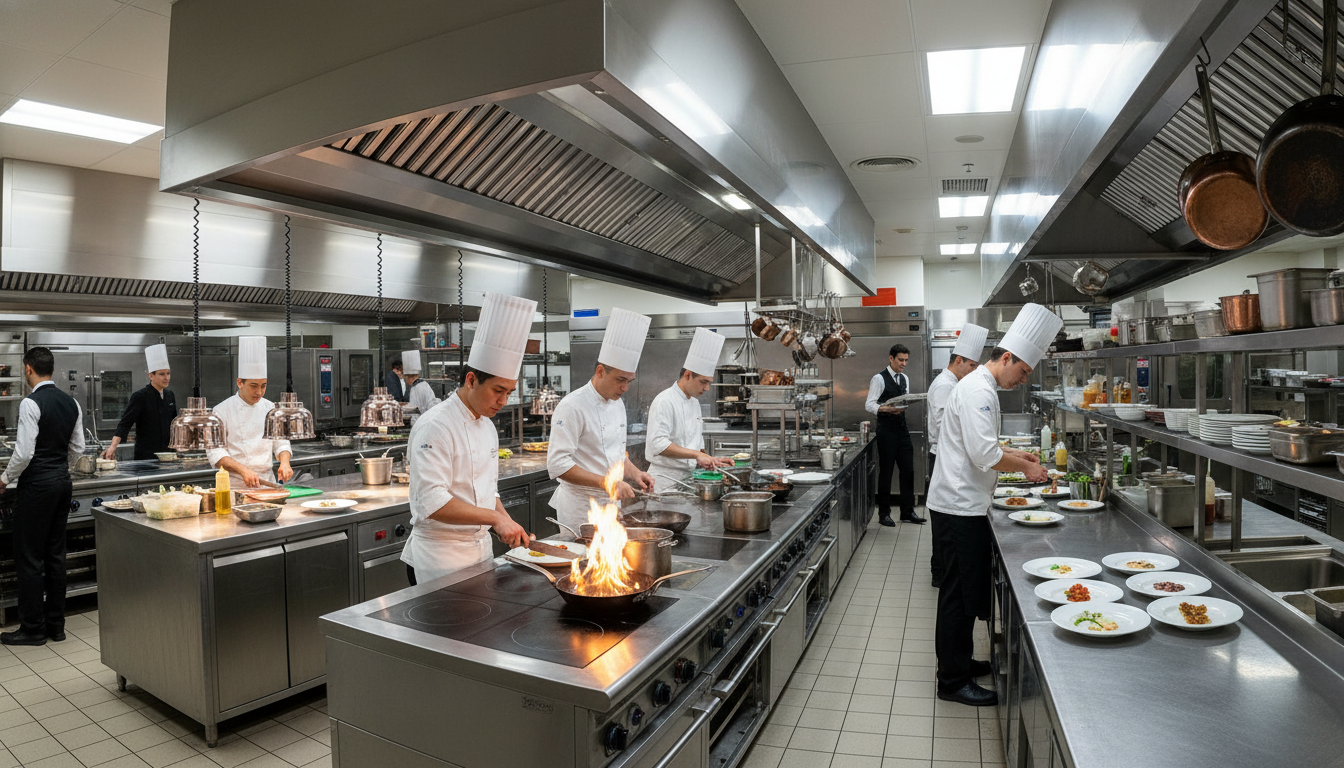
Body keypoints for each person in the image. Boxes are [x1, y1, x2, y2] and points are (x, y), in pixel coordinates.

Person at [928, 303, 1061, 707]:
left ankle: (961, 662)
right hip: (958, 506)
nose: (1023, 379)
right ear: (1007, 358)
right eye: (1023, 371)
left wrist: (1017, 456)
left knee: (964, 593)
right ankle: (952, 681)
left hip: (964, 503)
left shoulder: (980, 387)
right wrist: (1027, 468)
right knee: (957, 596)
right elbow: (984, 454)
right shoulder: (977, 391)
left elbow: (982, 444)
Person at [402, 293, 536, 585]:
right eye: (498, 390)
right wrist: (495, 519)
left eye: (509, 393)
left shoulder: (487, 425)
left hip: (480, 554)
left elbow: (487, 490)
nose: (503, 401)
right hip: (439, 560)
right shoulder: (435, 425)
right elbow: (432, 502)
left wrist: (505, 520)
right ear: (471, 380)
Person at [0, 347, 85, 645]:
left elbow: (24, 453)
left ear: (28, 369)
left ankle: (33, 629)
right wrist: (60, 468)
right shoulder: (72, 402)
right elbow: (78, 448)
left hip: (36, 487)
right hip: (62, 483)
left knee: (30, 557)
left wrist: (4, 478)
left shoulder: (30, 403)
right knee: (55, 555)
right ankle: (56, 626)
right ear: (52, 368)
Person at [548, 308, 656, 532]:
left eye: (629, 381)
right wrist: (607, 482)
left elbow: (615, 454)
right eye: (620, 380)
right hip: (581, 508)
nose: (625, 388)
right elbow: (558, 465)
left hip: (612, 505)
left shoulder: (617, 403)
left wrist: (636, 473)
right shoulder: (572, 406)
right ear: (600, 371)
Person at [926, 323, 989, 588]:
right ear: (959, 360)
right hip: (943, 458)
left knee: (945, 527)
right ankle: (939, 573)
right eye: (972, 365)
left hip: (947, 457)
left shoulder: (954, 383)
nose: (974, 371)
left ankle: (941, 571)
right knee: (943, 526)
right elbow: (945, 428)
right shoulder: (944, 385)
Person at [646, 328, 733, 492]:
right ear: (687, 375)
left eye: (709, 383)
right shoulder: (664, 401)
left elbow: (697, 443)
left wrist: (709, 459)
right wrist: (696, 455)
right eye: (703, 382)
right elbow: (657, 445)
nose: (707, 388)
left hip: (689, 480)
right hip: (664, 481)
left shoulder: (694, 403)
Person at [206, 336, 293, 488]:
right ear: (240, 382)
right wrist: (243, 470)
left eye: (263, 385)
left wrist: (285, 462)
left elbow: (281, 443)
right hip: (236, 486)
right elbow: (216, 453)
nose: (259, 392)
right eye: (253, 386)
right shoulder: (221, 411)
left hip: (268, 483)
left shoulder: (271, 408)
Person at [865, 343, 922, 525]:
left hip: (902, 429)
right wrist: (886, 409)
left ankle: (907, 512)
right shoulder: (879, 378)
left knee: (908, 470)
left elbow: (904, 399)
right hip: (886, 430)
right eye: (900, 360)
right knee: (887, 472)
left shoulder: (904, 378)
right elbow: (869, 404)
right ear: (891, 358)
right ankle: (884, 514)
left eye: (906, 360)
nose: (904, 363)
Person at [103, 344, 177, 460]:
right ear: (151, 376)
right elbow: (125, 423)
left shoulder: (170, 395)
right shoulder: (140, 396)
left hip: (168, 454)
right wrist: (113, 447)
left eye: (168, 373)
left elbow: (175, 424)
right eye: (161, 374)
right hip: (147, 456)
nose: (166, 378)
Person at [401, 350, 441, 422]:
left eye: (404, 376)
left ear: (407, 376)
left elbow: (414, 410)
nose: (404, 379)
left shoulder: (418, 388)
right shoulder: (421, 385)